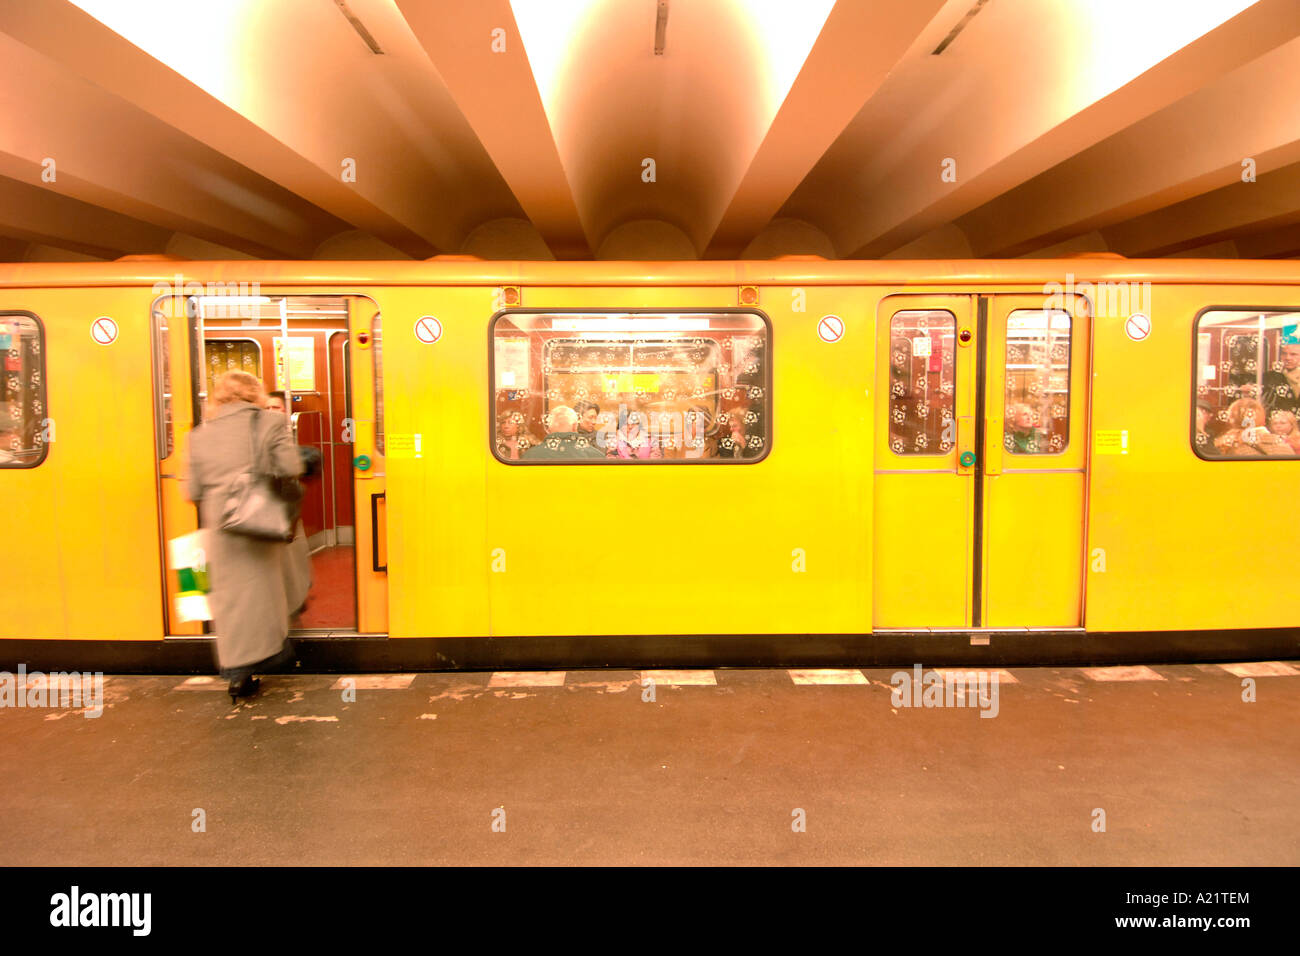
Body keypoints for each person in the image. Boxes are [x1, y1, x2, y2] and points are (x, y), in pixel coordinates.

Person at [187, 371, 304, 703]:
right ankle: (273, 653)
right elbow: (290, 467)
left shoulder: (197, 436)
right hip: (258, 524)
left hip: (218, 532)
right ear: (255, 395)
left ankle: (237, 674)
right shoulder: (270, 424)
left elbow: (192, 490)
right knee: (265, 595)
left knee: (230, 603)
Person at [523, 405, 606, 460]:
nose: (594, 422)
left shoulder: (529, 456)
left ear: (548, 429)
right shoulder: (596, 457)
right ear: (574, 426)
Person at [1263, 342, 1300, 419]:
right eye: (1284, 354)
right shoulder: (1270, 377)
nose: (1288, 358)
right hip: (1277, 424)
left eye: (1293, 354)